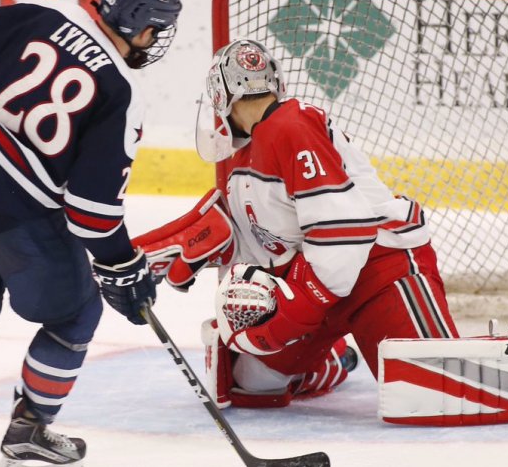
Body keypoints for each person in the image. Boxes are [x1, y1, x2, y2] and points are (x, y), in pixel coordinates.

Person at [0, 0, 181, 466]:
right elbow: (92, 212)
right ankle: (30, 428)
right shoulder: (120, 92)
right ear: (138, 25)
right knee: (75, 314)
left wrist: (2, 109)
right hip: (15, 209)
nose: (154, 41)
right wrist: (123, 263)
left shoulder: (49, 11)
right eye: (155, 31)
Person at [133, 38, 460, 410]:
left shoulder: (292, 124)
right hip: (318, 282)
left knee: (436, 395)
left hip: (378, 269)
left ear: (222, 97)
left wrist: (294, 312)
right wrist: (156, 254)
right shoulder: (245, 158)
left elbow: (344, 232)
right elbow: (269, 238)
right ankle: (335, 361)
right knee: (249, 385)